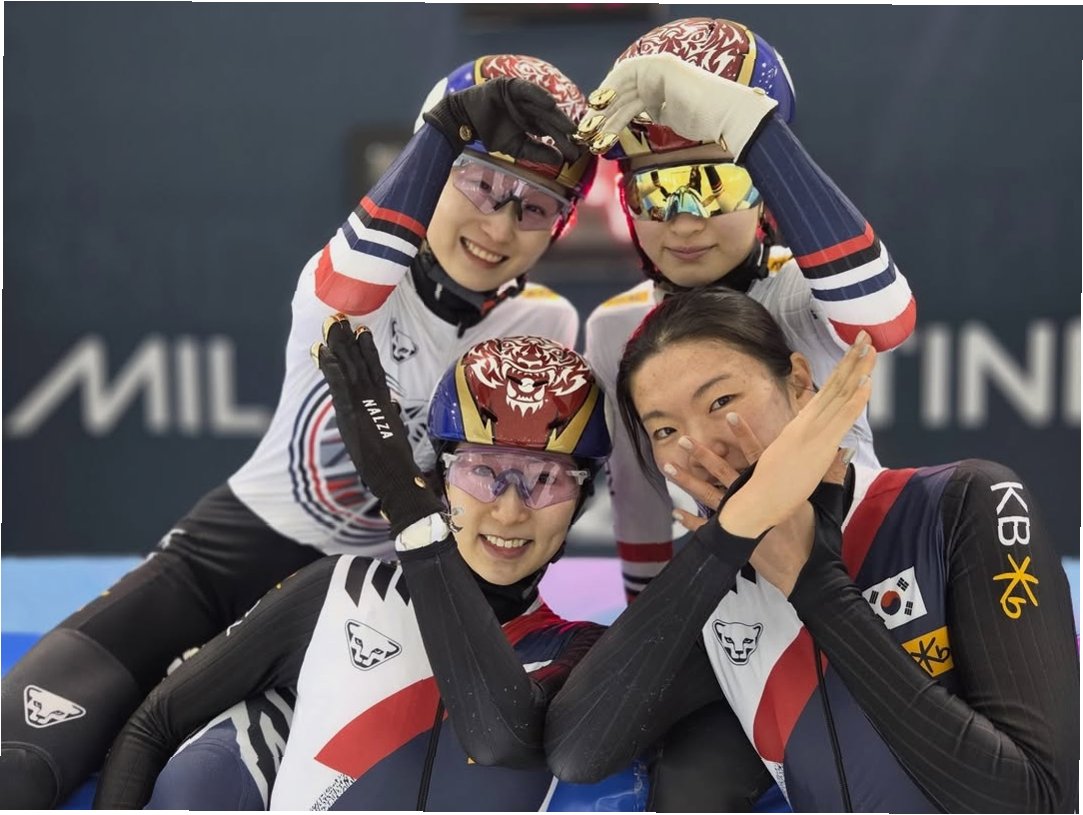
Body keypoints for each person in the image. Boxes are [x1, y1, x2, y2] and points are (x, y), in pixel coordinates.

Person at [0, 55, 597, 809]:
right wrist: (445, 128)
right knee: (16, 765)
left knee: (199, 783)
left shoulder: (541, 322)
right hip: (218, 570)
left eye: (535, 207)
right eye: (479, 182)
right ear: (431, 169)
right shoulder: (354, 277)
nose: (498, 224)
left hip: (365, 611)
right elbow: (352, 285)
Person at [545, 288, 1079, 813]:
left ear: (799, 382)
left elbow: (1035, 798)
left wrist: (815, 583)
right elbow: (577, 750)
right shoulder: (715, 595)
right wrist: (729, 537)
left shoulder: (964, 503)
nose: (702, 445)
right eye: (665, 429)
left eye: (722, 402)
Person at [92, 325, 617, 810]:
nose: (510, 509)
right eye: (483, 470)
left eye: (546, 479)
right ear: (441, 479)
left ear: (581, 501)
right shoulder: (339, 591)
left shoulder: (586, 651)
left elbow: (501, 736)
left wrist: (409, 510)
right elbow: (154, 725)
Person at [577, 17, 916, 601]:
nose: (684, 221)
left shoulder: (804, 290)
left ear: (765, 190)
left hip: (867, 578)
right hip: (735, 607)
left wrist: (750, 127)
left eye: (716, 185)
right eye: (654, 193)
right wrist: (649, 625)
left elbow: (885, 320)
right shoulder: (614, 327)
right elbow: (637, 492)